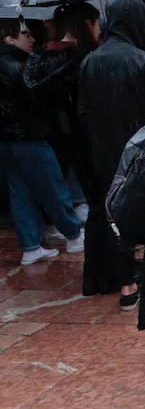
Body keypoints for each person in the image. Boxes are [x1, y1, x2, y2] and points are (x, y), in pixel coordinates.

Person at [79, 0, 145, 305]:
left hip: (104, 153)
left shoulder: (90, 62)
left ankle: (127, 286)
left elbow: (82, 112)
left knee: (114, 216)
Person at [0, 17, 85, 265]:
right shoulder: (19, 67)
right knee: (52, 187)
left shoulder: (13, 64)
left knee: (21, 193)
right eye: (25, 35)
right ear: (10, 38)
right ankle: (73, 235)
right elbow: (40, 98)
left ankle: (30, 246)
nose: (32, 39)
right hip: (30, 137)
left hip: (7, 141)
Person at [24, 1, 101, 225]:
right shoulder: (87, 58)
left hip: (52, 132)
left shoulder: (39, 58)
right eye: (96, 24)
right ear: (87, 24)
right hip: (84, 134)